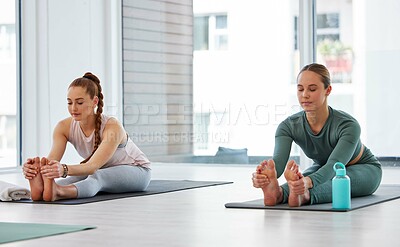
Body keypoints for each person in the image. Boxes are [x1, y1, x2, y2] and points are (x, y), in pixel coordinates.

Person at [252, 63, 382, 207]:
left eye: (312, 89)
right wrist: (265, 177)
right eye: (300, 89)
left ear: (328, 90)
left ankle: (305, 195)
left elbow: (334, 165)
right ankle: (277, 193)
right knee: (299, 181)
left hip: (363, 168)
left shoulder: (349, 125)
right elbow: (278, 163)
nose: (304, 95)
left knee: (333, 181)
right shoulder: (287, 126)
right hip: (323, 167)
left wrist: (307, 183)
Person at [22, 72, 151, 201]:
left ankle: (59, 192)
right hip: (101, 169)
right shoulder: (63, 127)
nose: (73, 108)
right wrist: (38, 170)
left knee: (97, 177)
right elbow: (52, 161)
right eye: (69, 102)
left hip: (137, 171)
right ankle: (43, 190)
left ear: (94, 101)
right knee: (72, 179)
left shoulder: (112, 126)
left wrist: (64, 169)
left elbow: (92, 166)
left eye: (79, 102)